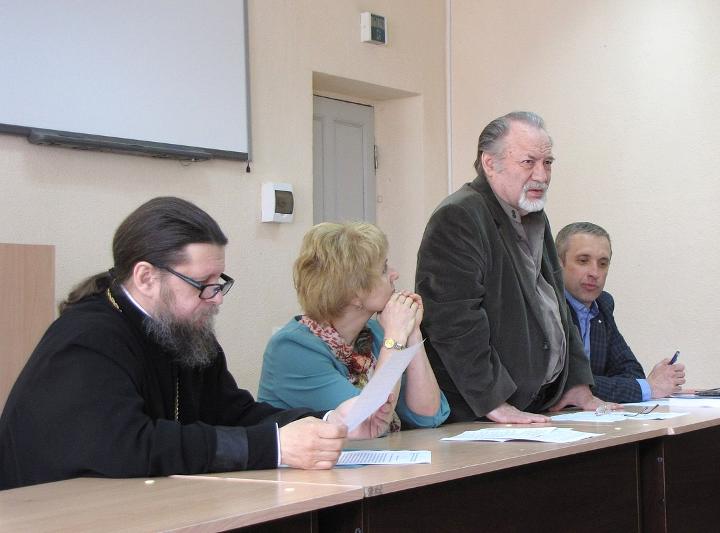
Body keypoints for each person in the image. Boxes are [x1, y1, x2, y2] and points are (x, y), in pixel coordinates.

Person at [0, 197, 393, 490]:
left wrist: (329, 423)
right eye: (202, 284)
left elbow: (233, 412)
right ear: (146, 277)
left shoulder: (186, 333)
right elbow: (129, 445)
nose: (216, 298)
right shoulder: (86, 339)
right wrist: (274, 446)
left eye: (219, 283)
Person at [415, 111, 609, 423]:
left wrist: (577, 383)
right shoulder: (459, 216)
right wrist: (494, 402)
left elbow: (555, 306)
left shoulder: (534, 214)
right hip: (481, 415)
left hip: (535, 407)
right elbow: (453, 322)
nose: (542, 175)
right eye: (528, 162)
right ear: (490, 163)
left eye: (547, 163)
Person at [258, 222, 449, 429]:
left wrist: (411, 331)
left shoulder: (375, 335)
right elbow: (369, 422)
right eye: (384, 269)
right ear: (354, 292)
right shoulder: (292, 350)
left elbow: (429, 415)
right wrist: (395, 337)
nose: (395, 274)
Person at [556, 222, 687, 403]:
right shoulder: (547, 307)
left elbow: (632, 372)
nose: (595, 273)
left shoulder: (602, 306)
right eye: (583, 261)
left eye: (603, 264)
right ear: (558, 263)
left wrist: (643, 386)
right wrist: (647, 388)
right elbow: (565, 383)